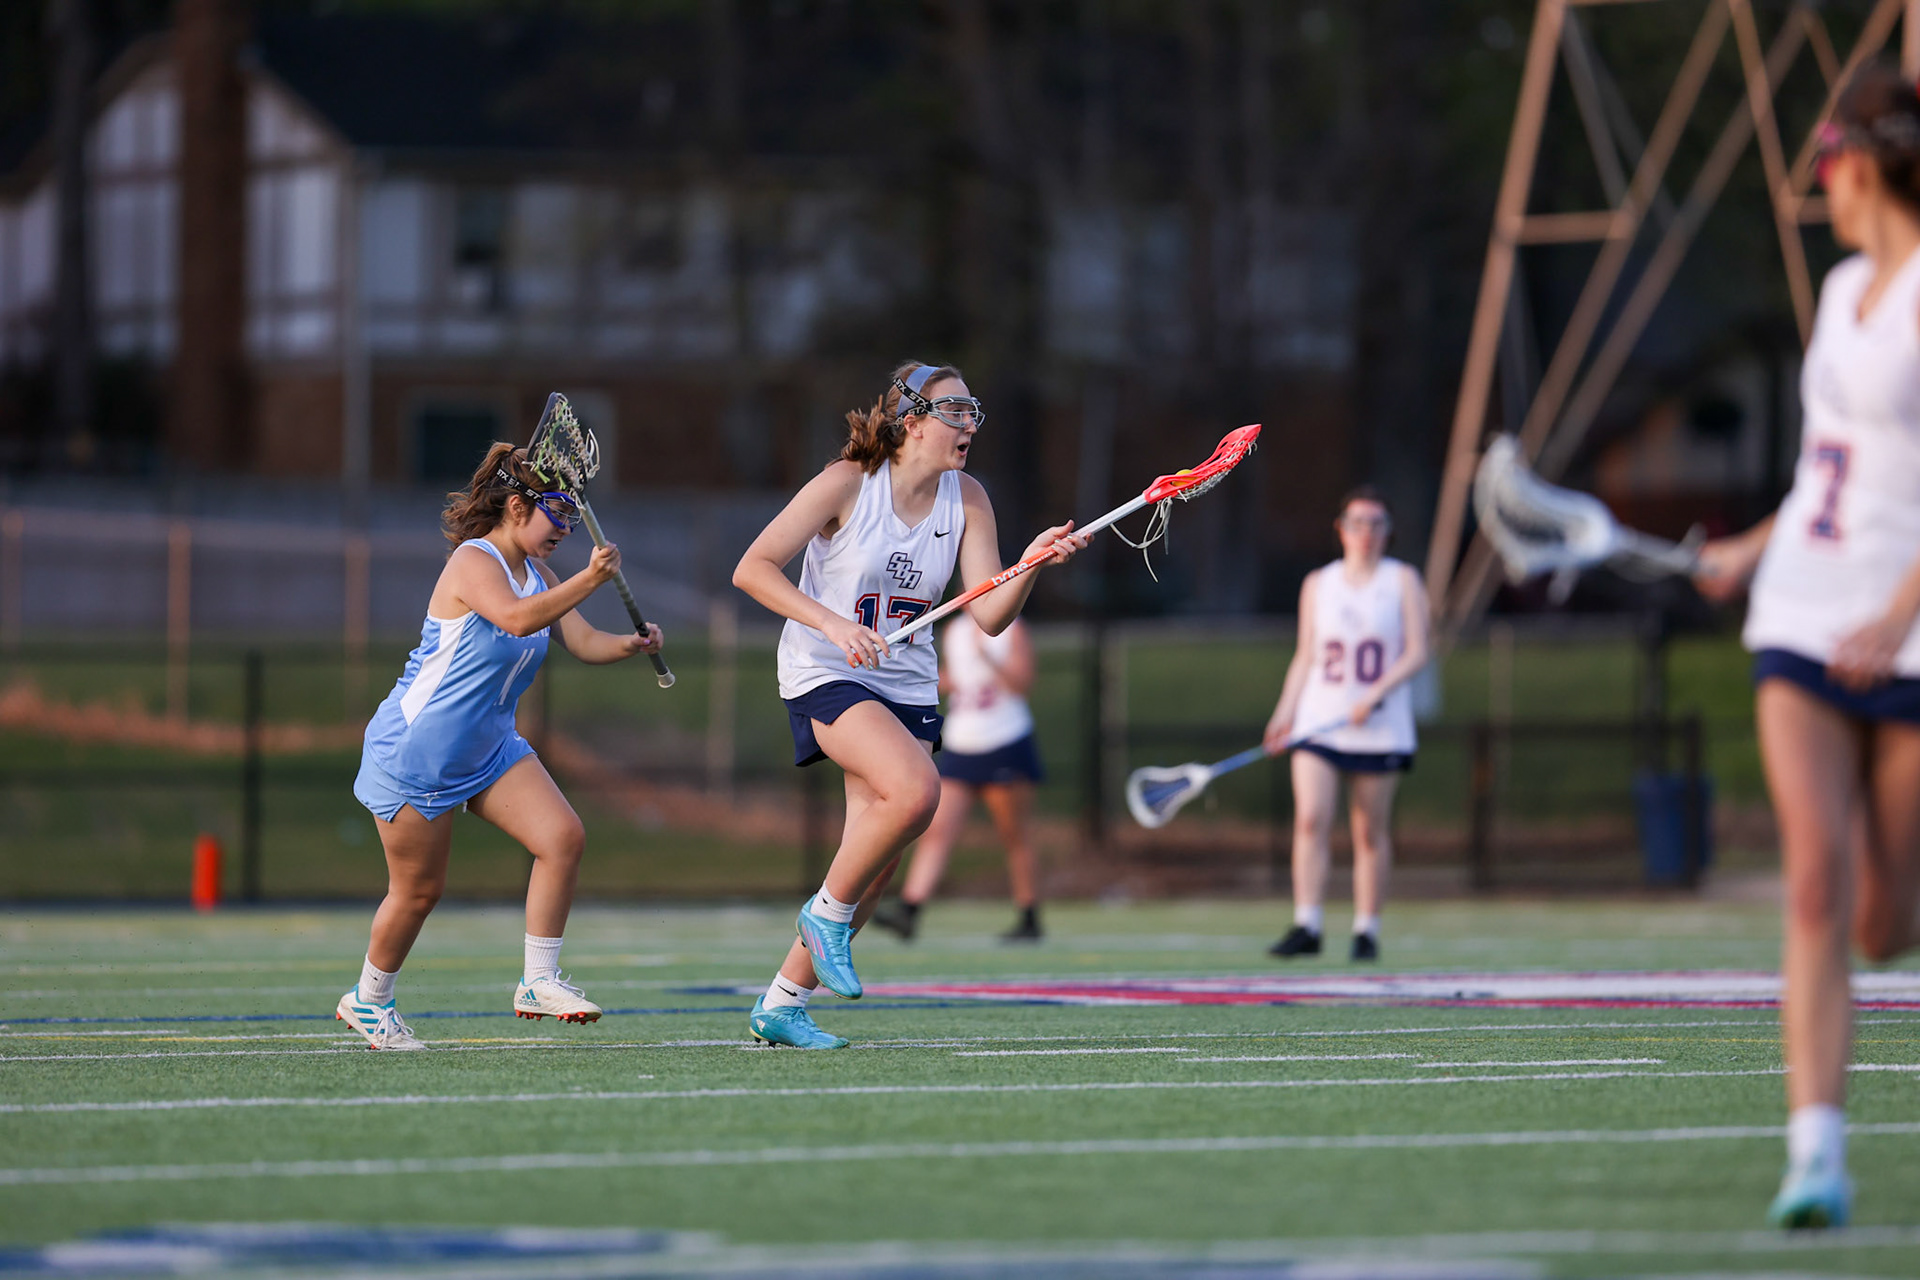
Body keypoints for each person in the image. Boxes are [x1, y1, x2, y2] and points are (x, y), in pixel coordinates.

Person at [1695, 65, 1920, 1229]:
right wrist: (1749, 549)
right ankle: (1816, 1150)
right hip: (1798, 611)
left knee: (1889, 921)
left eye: (1827, 157)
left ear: (1867, 161)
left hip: (1910, 633)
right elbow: (1825, 465)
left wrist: (1900, 608)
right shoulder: (1839, 292)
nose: (1817, 179)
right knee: (1817, 879)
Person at [731, 361, 1088, 1049]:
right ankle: (826, 918)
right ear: (912, 420)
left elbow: (988, 615)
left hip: (906, 681)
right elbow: (752, 568)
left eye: (973, 412)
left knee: (875, 861)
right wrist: (831, 624)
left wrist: (1032, 563)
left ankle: (782, 1001)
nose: (969, 425)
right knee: (917, 791)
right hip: (827, 669)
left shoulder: (969, 498)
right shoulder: (847, 484)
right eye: (954, 412)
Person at [336, 442, 664, 1050]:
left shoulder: (539, 572)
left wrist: (631, 645)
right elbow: (517, 620)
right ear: (517, 507)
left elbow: (582, 640)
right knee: (418, 892)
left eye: (571, 516)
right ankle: (368, 999)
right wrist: (592, 578)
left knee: (563, 838)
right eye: (557, 514)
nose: (564, 529)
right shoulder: (473, 561)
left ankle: (537, 982)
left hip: (489, 748)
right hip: (418, 752)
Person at [1260, 486, 1428, 963]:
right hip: (1321, 719)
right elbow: (1306, 654)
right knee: (1311, 818)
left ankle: (1365, 929)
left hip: (1380, 724)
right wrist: (1285, 711)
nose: (1366, 533)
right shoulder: (1319, 583)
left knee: (1368, 830)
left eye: (1376, 524)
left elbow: (1418, 650)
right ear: (1341, 529)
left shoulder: (1402, 581)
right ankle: (1307, 923)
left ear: (1388, 532)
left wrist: (1375, 694)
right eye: (1357, 523)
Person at [871, 613, 1047, 943]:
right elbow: (955, 679)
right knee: (936, 829)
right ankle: (910, 909)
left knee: (1014, 835)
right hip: (962, 741)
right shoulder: (956, 629)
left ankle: (1029, 916)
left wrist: (987, 658)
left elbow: (1022, 683)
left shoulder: (1013, 628)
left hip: (1004, 739)